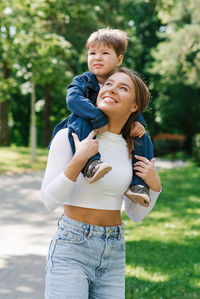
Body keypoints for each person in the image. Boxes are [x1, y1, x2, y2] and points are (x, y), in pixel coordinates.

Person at [41, 68, 161, 299]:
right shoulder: (71, 136)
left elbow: (136, 214)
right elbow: (49, 201)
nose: (112, 89)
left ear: (134, 106)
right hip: (72, 247)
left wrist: (154, 186)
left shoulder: (134, 147)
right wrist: (78, 162)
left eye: (123, 88)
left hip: (114, 248)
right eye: (108, 85)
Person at [50, 28, 154, 207]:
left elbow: (132, 104)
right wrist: (98, 117)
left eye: (104, 53)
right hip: (84, 126)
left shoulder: (123, 79)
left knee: (141, 136)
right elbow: (73, 99)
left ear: (119, 59)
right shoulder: (83, 81)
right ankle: (91, 164)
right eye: (92, 53)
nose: (97, 57)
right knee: (79, 117)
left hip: (115, 130)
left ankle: (139, 184)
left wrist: (138, 122)